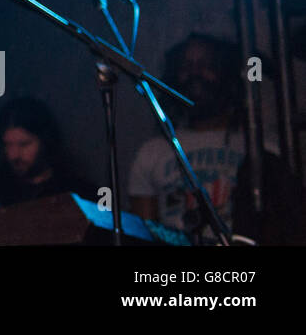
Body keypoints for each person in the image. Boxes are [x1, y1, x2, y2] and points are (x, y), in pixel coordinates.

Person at [127, 32, 304, 243]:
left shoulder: (261, 147)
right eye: (186, 66)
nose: (195, 73)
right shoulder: (152, 152)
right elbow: (141, 232)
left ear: (225, 73)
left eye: (206, 64)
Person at [0, 97, 97, 206]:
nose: (14, 155)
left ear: (45, 141)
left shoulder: (76, 192)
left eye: (24, 144)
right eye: (8, 145)